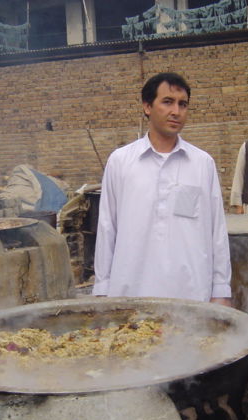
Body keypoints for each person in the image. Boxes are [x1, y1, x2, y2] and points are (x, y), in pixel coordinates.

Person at [92, 72, 232, 307]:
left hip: (190, 293)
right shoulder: (121, 161)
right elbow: (107, 228)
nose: (176, 111)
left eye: (183, 104)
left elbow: (216, 230)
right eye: (167, 102)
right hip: (131, 291)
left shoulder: (201, 163)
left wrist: (221, 290)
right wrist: (102, 288)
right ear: (147, 106)